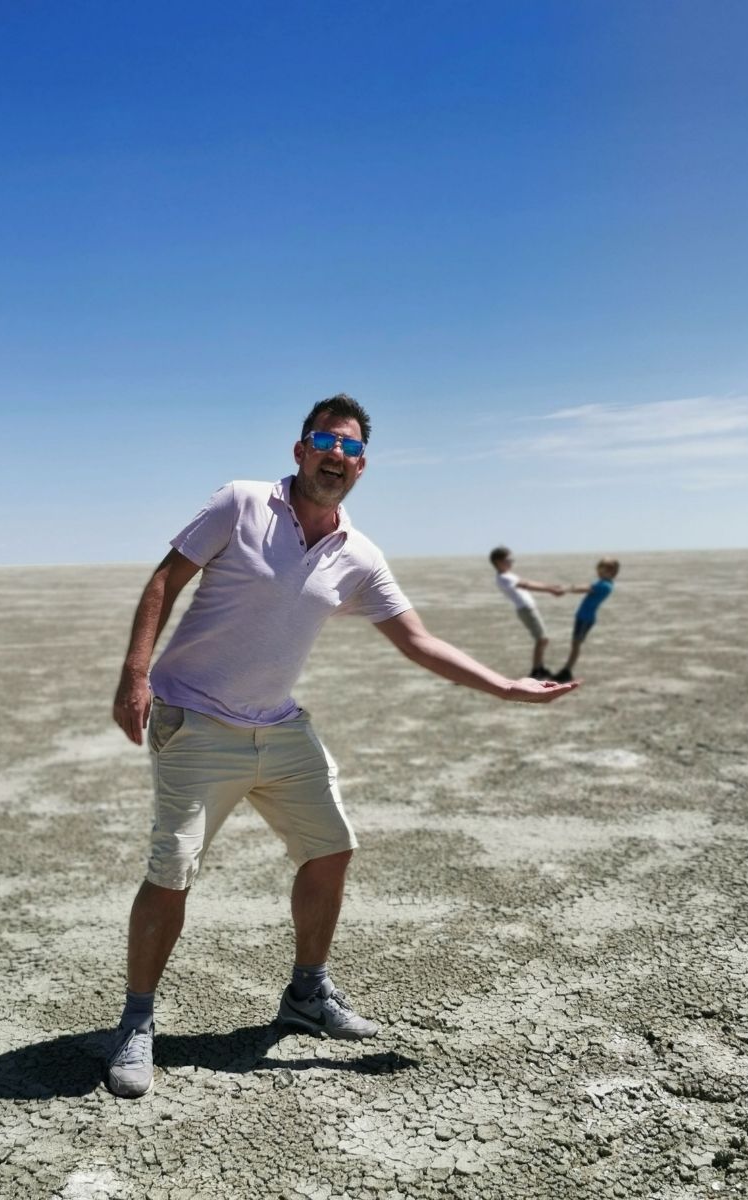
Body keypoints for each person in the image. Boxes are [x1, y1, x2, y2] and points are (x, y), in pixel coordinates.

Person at [107, 394, 579, 1098]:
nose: (338, 455)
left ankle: (306, 993)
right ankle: (137, 1023)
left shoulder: (358, 555)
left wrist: (506, 688)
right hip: (196, 724)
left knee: (331, 849)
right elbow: (165, 579)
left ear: (362, 468)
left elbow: (418, 640)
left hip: (281, 725)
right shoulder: (241, 504)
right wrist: (135, 675)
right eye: (326, 441)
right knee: (173, 870)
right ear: (300, 450)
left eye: (352, 449)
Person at [489, 547, 564, 680]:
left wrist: (551, 586)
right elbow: (527, 585)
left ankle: (539, 667)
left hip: (528, 608)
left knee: (543, 639)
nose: (511, 562)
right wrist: (551, 590)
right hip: (525, 609)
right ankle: (536, 670)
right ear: (498, 562)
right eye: (508, 560)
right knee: (542, 639)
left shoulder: (509, 575)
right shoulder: (504, 577)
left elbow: (528, 582)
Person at [553, 558, 620, 682]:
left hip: (585, 618)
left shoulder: (604, 585)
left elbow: (585, 588)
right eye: (599, 569)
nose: (599, 572)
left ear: (612, 572)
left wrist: (567, 589)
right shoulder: (604, 583)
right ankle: (566, 670)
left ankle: (567, 671)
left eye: (602, 570)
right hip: (583, 617)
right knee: (575, 644)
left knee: (576, 644)